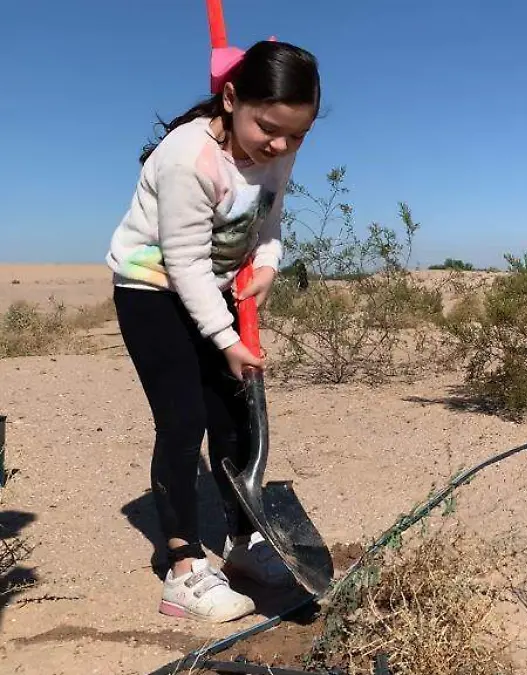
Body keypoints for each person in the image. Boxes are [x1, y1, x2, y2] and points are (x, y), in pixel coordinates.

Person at [106, 40, 321, 623]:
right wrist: (227, 340)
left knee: (235, 420)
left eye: (296, 136)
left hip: (216, 289)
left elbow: (268, 218)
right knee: (183, 422)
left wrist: (269, 267)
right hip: (153, 289)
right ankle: (181, 568)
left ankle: (244, 544)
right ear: (230, 98)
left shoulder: (279, 149)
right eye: (269, 128)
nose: (280, 146)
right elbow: (184, 262)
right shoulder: (187, 158)